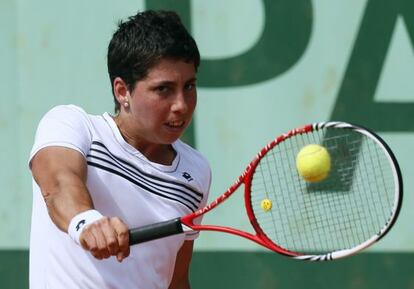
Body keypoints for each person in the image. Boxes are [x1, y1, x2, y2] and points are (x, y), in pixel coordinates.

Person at [28, 10, 211, 289]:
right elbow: (57, 184)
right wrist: (86, 222)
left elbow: (176, 278)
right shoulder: (72, 126)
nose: (182, 105)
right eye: (164, 89)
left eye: (189, 86)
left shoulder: (195, 173)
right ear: (122, 91)